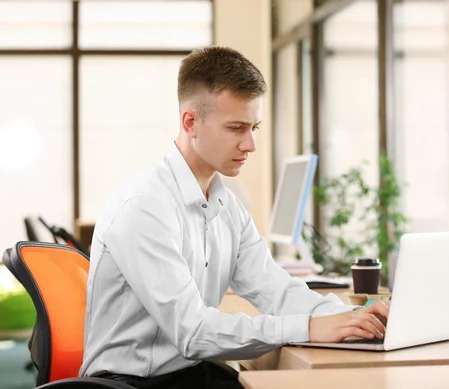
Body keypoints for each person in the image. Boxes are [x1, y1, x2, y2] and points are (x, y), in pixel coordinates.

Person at [79, 46, 389, 389]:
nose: (251, 144)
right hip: (131, 384)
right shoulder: (144, 206)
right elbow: (193, 331)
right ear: (190, 122)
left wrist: (348, 315)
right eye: (236, 128)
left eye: (254, 127)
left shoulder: (227, 205)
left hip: (189, 375)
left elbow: (276, 290)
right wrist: (311, 327)